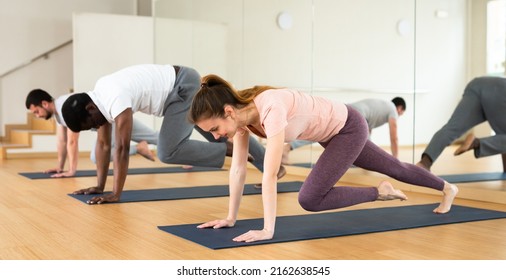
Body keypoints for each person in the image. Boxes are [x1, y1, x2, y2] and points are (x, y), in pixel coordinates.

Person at [189, 74, 458, 243]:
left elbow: (270, 174)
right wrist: (230, 217)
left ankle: (381, 191)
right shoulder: (242, 121)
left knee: (309, 198)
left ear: (228, 111)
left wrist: (267, 229)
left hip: (349, 127)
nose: (215, 137)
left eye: (214, 129)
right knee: (393, 167)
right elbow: (238, 170)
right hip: (334, 132)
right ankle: (447, 188)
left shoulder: (270, 107)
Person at [61, 64, 283, 204]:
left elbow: (120, 148)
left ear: (90, 109)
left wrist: (115, 194)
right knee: (214, 132)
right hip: (178, 91)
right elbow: (103, 146)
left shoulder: (114, 97)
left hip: (182, 87)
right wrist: (100, 187)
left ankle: (228, 149)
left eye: (89, 124)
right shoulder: (100, 97)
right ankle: (275, 168)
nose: (95, 128)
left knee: (168, 151)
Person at [25, 89, 157, 178]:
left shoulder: (64, 107)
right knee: (155, 138)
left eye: (36, 111)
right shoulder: (58, 112)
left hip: (113, 120)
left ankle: (139, 148)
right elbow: (62, 141)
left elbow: (72, 141)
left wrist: (71, 171)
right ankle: (139, 148)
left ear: (44, 103)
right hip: (111, 121)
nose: (37, 116)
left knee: (155, 138)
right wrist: (59, 167)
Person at [416, 76, 506, 172]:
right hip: (501, 92)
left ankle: (424, 163)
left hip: (477, 85)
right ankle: (475, 143)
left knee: (452, 128)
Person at [281, 97, 406, 164]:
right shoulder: (392, 110)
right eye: (401, 113)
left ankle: (288, 147)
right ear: (399, 108)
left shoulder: (382, 105)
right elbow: (394, 137)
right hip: (358, 115)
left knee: (325, 133)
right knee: (364, 146)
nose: (399, 116)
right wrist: (396, 159)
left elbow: (368, 127)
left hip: (350, 109)